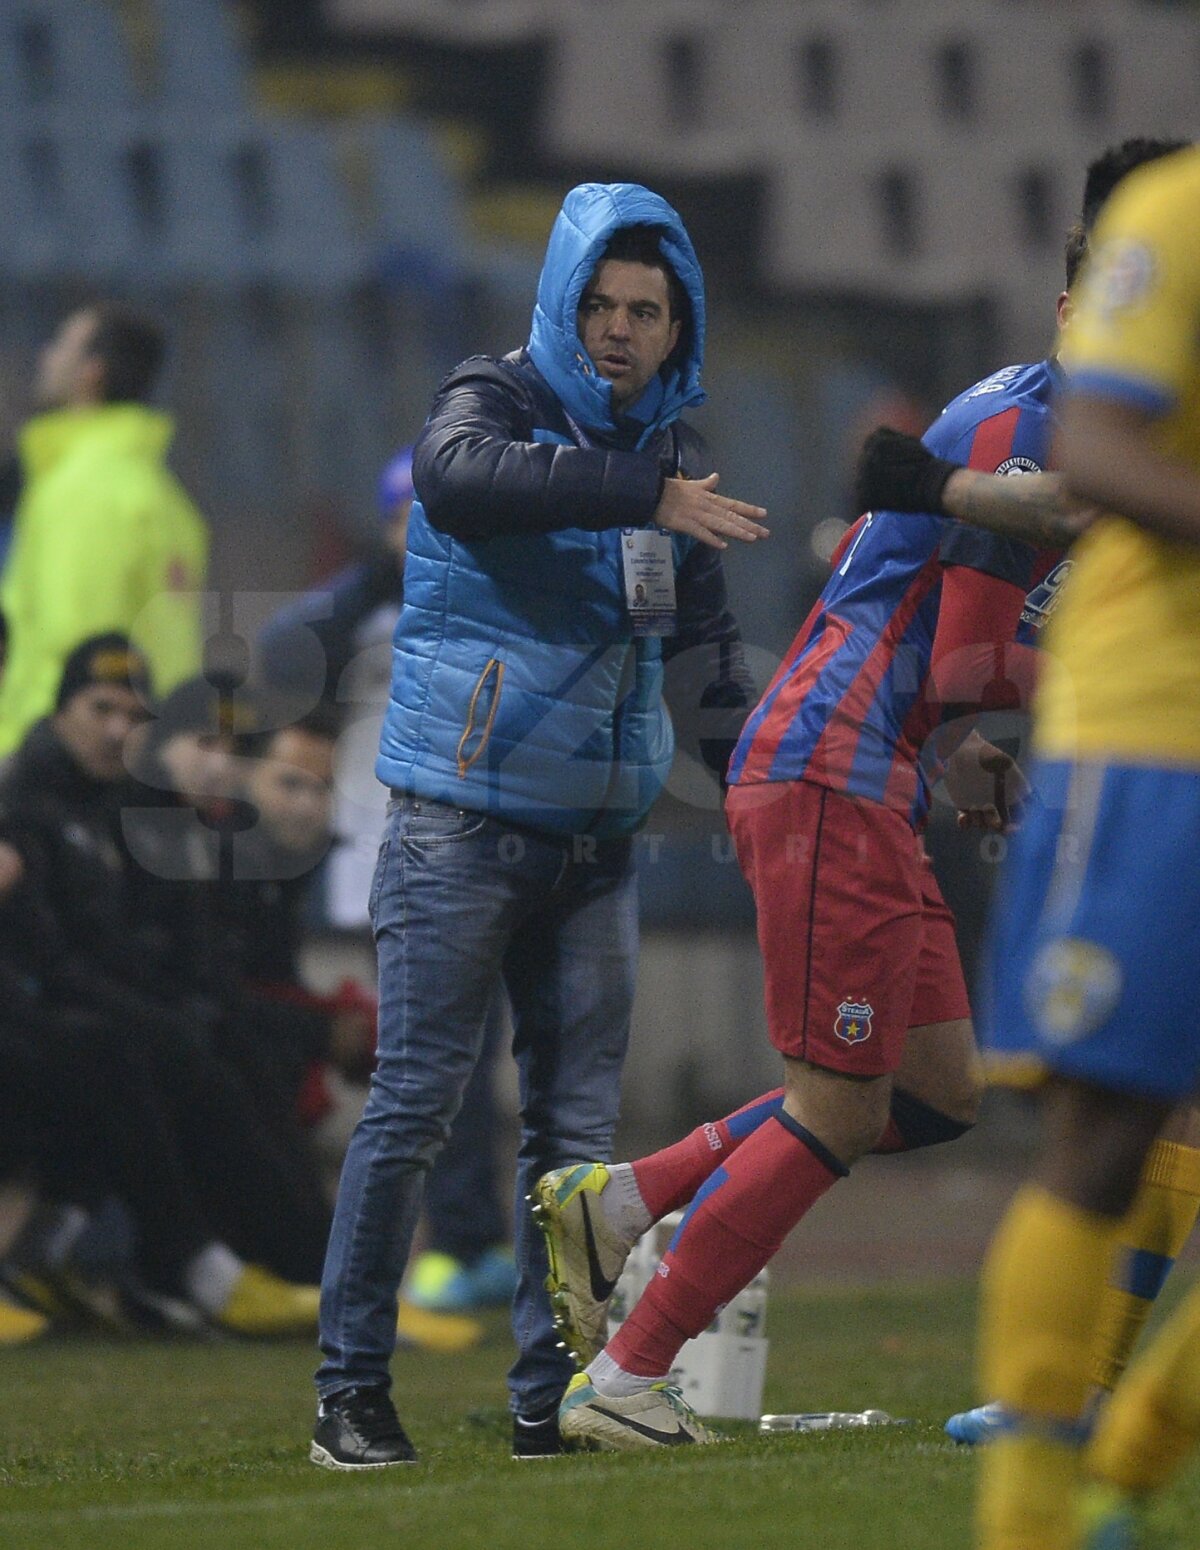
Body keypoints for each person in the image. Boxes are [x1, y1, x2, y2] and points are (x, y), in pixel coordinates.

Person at [534, 195, 1103, 1451]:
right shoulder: (1030, 431)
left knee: (943, 1089)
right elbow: (964, 652)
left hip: (874, 769)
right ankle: (625, 1375)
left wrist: (959, 747)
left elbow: (938, 638)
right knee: (840, 1102)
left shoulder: (1057, 429)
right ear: (1077, 309)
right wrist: (1106, 700)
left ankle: (627, 1200)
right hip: (831, 763)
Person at [310, 181, 766, 1469]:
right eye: (601, 305)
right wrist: (644, 494)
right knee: (414, 1110)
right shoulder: (493, 396)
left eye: (648, 311)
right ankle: (349, 1392)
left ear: (680, 329)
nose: (622, 331)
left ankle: (547, 1401)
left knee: (572, 1151)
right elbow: (456, 483)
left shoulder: (671, 464)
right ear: (562, 305)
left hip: (594, 844)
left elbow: (708, 652)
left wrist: (768, 784)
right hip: (459, 824)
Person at [858, 139, 1200, 1454]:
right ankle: (1080, 1407)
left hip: (1087, 749)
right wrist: (965, 742)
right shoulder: (1024, 420)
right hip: (1084, 761)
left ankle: (1099, 1405)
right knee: (1099, 1109)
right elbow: (938, 624)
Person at [964, 142, 1200, 1550]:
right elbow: (1098, 448)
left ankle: (1138, 1452)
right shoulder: (1173, 217)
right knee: (1106, 1138)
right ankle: (1035, 1517)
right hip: (1155, 731)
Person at [0, 636, 328, 1333]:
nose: (117, 729)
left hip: (72, 1013)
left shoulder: (116, 808)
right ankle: (202, 1266)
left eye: (130, 713)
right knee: (137, 1049)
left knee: (213, 1039)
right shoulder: (29, 801)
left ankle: (312, 1266)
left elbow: (136, 952)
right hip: (39, 1021)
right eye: (100, 708)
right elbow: (48, 963)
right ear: (61, 709)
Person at [260, 454, 518, 1314]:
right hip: (399, 857)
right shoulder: (360, 606)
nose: (425, 529)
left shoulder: (497, 594)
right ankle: (453, 1243)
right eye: (410, 513)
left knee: (476, 1055)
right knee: (443, 1060)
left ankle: (472, 1241)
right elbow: (284, 655)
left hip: (495, 846)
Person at [0, 302, 208, 756]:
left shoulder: (81, 490)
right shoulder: (165, 498)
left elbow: (70, 648)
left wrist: (30, 758)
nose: (46, 356)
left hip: (63, 756)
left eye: (61, 345)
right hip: (143, 746)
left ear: (90, 374)